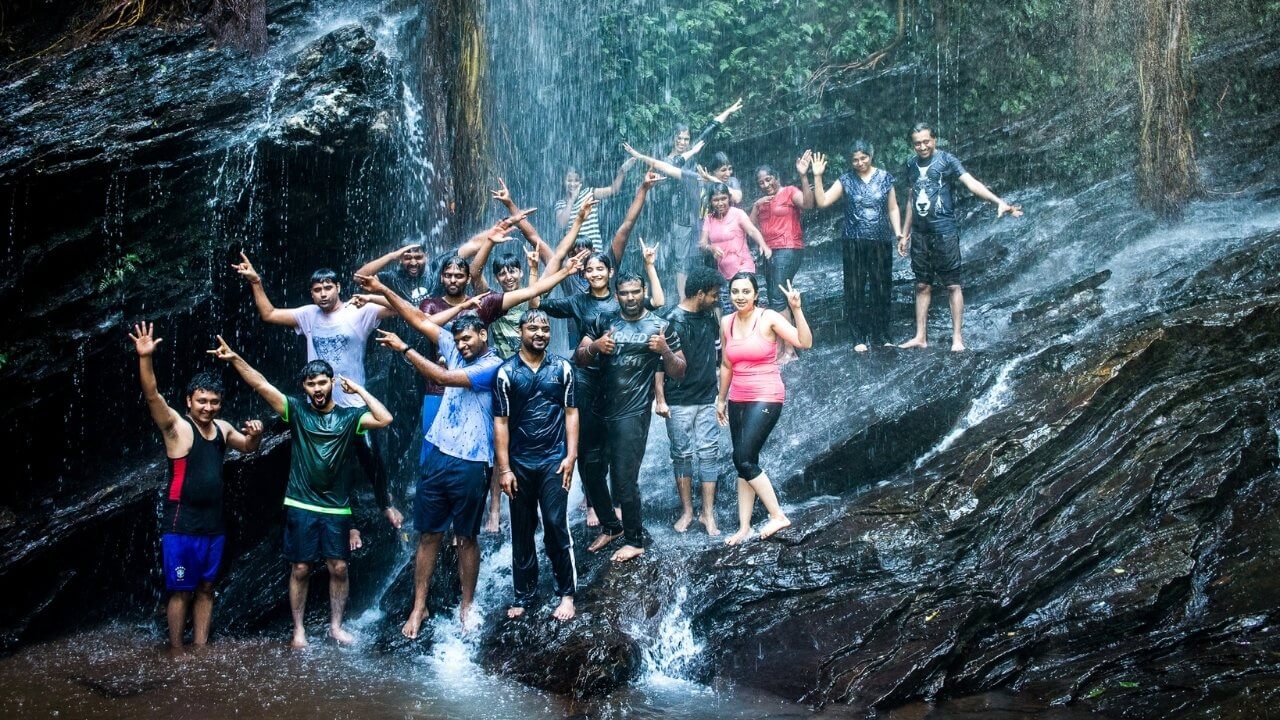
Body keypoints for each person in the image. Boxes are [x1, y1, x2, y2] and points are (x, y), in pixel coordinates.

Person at [208, 337, 394, 647]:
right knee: (301, 567)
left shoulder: (350, 418)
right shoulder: (295, 411)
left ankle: (336, 626)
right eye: (311, 384)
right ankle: (299, 631)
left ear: (332, 383)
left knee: (338, 566)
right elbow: (262, 385)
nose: (318, 389)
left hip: (336, 507)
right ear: (304, 387)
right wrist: (235, 358)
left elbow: (384, 418)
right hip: (300, 501)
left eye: (323, 382)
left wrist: (359, 390)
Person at [534, 175, 665, 532]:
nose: (594, 272)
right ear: (584, 273)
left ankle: (621, 512)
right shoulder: (577, 299)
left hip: (621, 380)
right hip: (588, 378)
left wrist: (642, 191)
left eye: (600, 268)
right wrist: (541, 268)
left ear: (611, 271)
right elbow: (537, 302)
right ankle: (603, 515)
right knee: (591, 456)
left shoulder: (623, 297)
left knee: (616, 452)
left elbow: (624, 228)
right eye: (588, 268)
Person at [231, 256, 401, 521]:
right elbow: (270, 314)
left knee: (371, 457)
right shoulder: (308, 315)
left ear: (338, 288)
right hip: (319, 406)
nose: (323, 294)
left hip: (353, 403)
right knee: (331, 465)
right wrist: (256, 282)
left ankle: (385, 504)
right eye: (317, 290)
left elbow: (399, 308)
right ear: (311, 293)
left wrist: (372, 296)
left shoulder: (358, 312)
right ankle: (349, 521)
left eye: (327, 288)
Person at [129, 322, 263, 650]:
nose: (208, 407)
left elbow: (248, 448)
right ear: (189, 401)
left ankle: (201, 648)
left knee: (206, 588)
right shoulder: (176, 427)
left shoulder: (222, 427)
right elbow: (152, 395)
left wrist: (257, 436)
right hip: (180, 524)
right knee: (181, 590)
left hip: (213, 526)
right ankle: (176, 650)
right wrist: (145, 358)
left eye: (214, 402)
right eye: (202, 401)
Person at [373, 316, 501, 638]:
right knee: (429, 535)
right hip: (438, 455)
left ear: (483, 335)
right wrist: (383, 291)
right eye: (457, 340)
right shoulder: (457, 349)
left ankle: (467, 605)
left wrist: (404, 349)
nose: (462, 345)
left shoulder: (492, 365)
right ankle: (419, 605)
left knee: (466, 537)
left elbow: (442, 377)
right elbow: (418, 319)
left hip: (472, 462)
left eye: (468, 338)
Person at [576, 272, 686, 563]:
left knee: (624, 478)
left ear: (644, 290)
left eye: (635, 292)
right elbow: (580, 356)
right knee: (590, 470)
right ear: (616, 295)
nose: (631, 298)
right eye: (624, 293)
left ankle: (635, 539)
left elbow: (679, 370)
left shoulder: (661, 326)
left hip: (632, 412)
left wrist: (663, 350)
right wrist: (595, 347)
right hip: (599, 408)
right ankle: (612, 527)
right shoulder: (604, 321)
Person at [897, 123, 1022, 352]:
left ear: (934, 139)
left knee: (953, 285)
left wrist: (999, 202)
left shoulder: (947, 160)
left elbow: (971, 183)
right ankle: (920, 336)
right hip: (921, 234)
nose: (923, 146)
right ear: (912, 144)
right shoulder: (910, 165)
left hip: (945, 231)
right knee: (922, 284)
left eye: (926, 141)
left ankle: (957, 338)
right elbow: (910, 200)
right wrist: (905, 234)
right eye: (918, 143)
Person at [492, 309, 579, 621]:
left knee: (556, 524)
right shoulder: (505, 373)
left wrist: (571, 456)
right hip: (519, 463)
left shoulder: (563, 368)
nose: (540, 334)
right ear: (520, 332)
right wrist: (504, 469)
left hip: (554, 460)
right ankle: (524, 594)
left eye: (545, 329)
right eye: (533, 329)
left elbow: (571, 413)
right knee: (522, 527)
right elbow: (500, 423)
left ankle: (567, 593)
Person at [716, 274, 811, 546]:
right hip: (737, 397)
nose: (740, 296)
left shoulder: (768, 317)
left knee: (743, 457)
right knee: (744, 462)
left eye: (746, 291)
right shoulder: (726, 322)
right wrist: (721, 400)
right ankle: (744, 526)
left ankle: (777, 515)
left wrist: (796, 309)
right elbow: (726, 365)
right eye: (735, 291)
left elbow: (804, 342)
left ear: (756, 294)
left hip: (767, 394)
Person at [811, 142, 905, 352]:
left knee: (881, 288)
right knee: (854, 289)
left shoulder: (885, 177)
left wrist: (898, 232)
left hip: (880, 240)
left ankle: (881, 334)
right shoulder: (846, 179)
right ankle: (858, 337)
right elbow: (823, 201)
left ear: (871, 156)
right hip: (853, 241)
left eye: (864, 158)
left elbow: (893, 207)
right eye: (855, 159)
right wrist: (817, 176)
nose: (860, 163)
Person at [653, 266, 725, 536]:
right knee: (681, 455)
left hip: (707, 397)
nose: (717, 298)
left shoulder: (710, 317)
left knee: (709, 454)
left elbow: (718, 357)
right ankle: (687, 511)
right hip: (679, 399)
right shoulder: (671, 320)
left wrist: (721, 396)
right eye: (714, 294)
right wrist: (660, 399)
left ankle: (708, 513)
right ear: (699, 293)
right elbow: (658, 364)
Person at [750, 155, 814, 360]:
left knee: (777, 298)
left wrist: (803, 177)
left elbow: (808, 203)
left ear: (777, 177)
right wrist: (755, 206)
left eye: (769, 179)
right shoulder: (761, 203)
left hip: (789, 248)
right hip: (770, 252)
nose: (766, 185)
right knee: (777, 296)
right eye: (761, 182)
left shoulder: (789, 192)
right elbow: (748, 227)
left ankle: (789, 350)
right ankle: (783, 346)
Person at [700, 183, 771, 311]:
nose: (720, 203)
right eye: (716, 200)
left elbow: (752, 231)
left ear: (729, 198)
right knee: (729, 312)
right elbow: (702, 244)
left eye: (723, 198)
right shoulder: (709, 219)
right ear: (710, 201)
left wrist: (763, 245)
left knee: (746, 309)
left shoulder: (738, 213)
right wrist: (711, 248)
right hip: (724, 273)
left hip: (743, 268)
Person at [553, 158, 637, 252]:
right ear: (564, 181)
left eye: (576, 180)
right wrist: (571, 200)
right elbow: (561, 224)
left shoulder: (590, 193)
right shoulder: (561, 203)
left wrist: (622, 171)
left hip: (594, 249)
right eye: (569, 180)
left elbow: (614, 189)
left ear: (581, 181)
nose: (572, 184)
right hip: (573, 250)